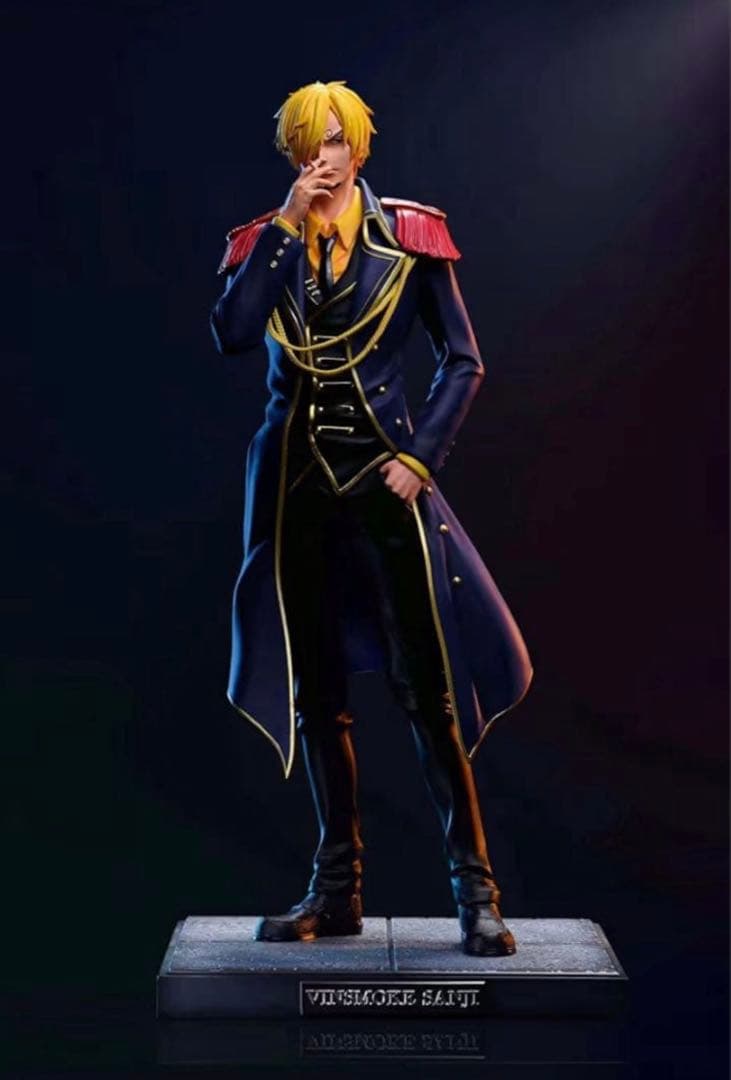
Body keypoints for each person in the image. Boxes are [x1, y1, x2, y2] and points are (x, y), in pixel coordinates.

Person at [210, 80, 532, 956]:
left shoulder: (410, 236)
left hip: (386, 485)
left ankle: (476, 895)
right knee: (315, 695)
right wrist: (286, 225)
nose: (323, 157)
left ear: (359, 147)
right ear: (292, 154)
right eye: (308, 143)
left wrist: (419, 457)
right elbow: (232, 333)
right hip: (296, 490)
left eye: (335, 140)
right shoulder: (263, 242)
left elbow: (462, 361)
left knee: (430, 690)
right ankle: (336, 891)